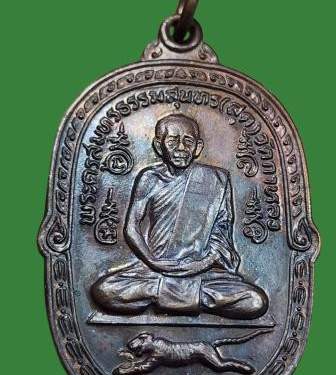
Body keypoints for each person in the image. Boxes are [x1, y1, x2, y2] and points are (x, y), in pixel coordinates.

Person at [91, 113, 268, 319]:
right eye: (173, 141)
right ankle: (192, 297)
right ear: (159, 146)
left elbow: (222, 232)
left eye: (188, 141)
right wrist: (153, 261)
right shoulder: (150, 178)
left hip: (202, 272)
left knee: (255, 301)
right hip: (154, 271)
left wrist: (202, 264)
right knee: (104, 291)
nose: (181, 148)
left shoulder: (217, 180)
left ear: (198, 147)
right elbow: (132, 227)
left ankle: (163, 295)